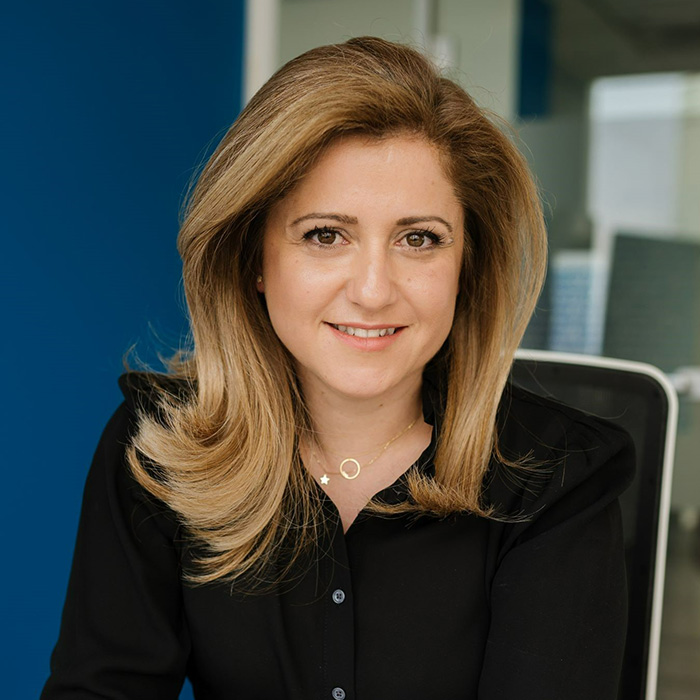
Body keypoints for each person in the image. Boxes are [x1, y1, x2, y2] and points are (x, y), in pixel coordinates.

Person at [41, 37, 634, 700]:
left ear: (467, 267)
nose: (374, 290)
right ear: (253, 259)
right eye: (325, 235)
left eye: (419, 239)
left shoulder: (559, 480)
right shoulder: (160, 450)